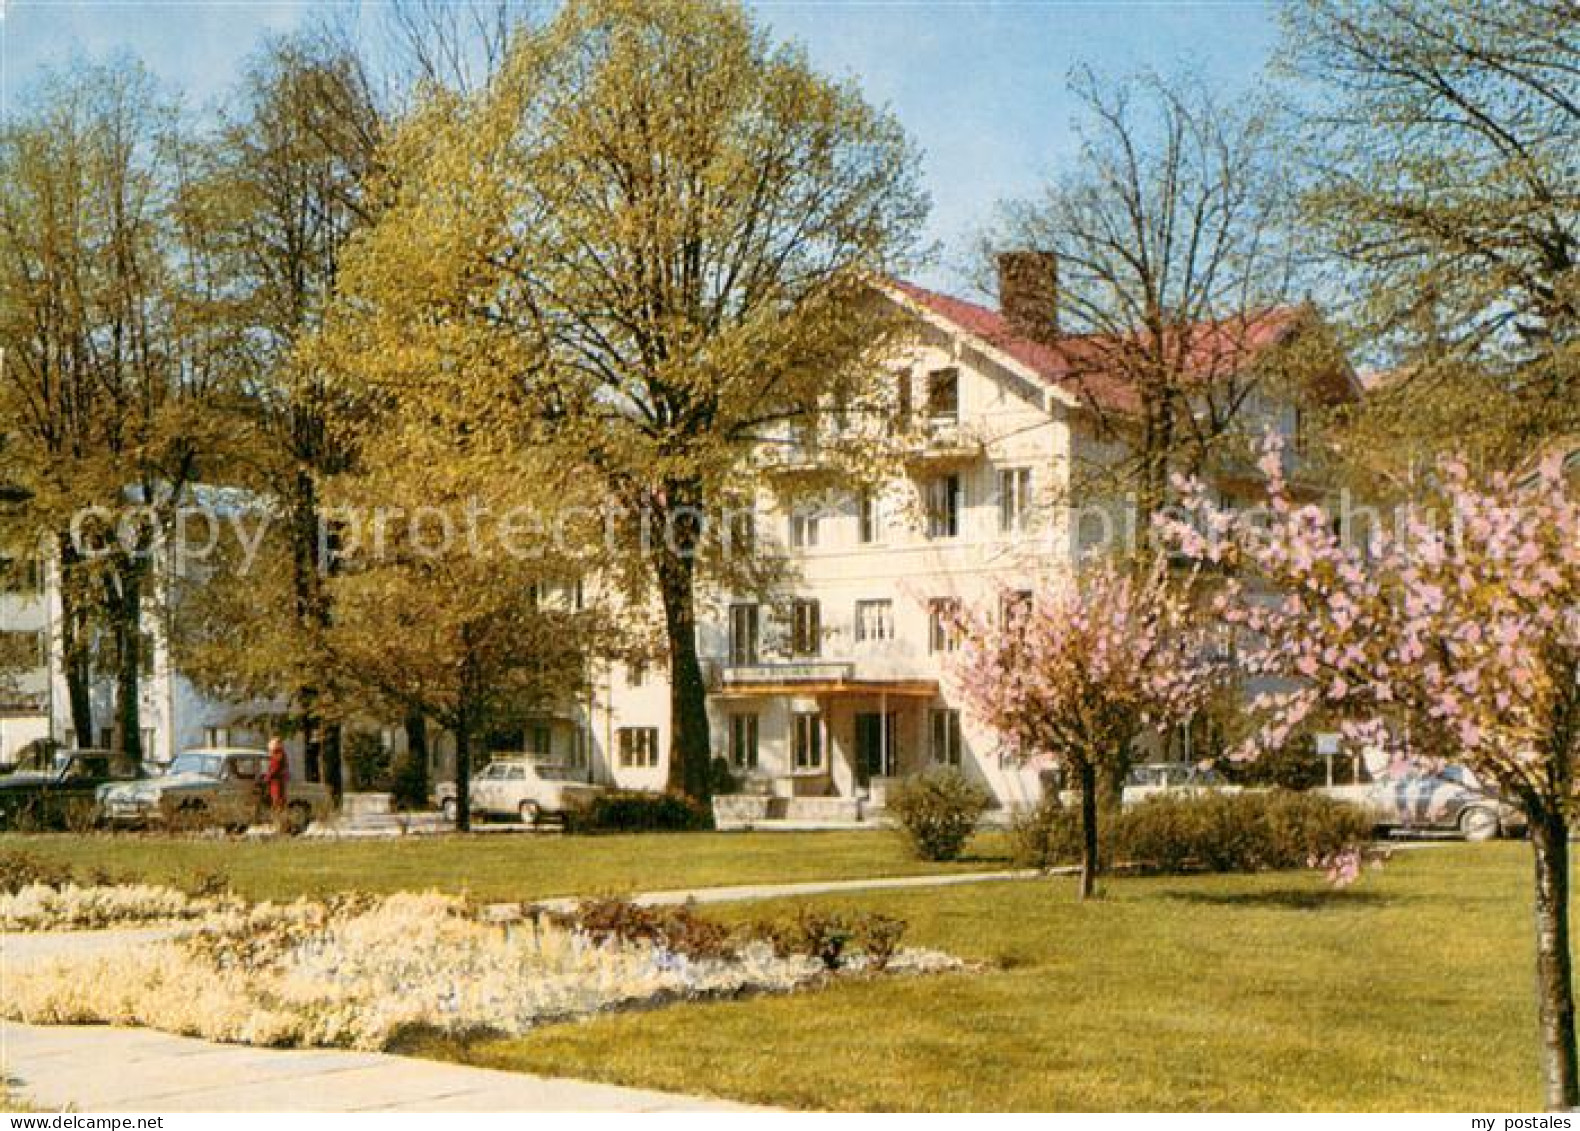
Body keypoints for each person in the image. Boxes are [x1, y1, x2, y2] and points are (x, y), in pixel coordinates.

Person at [263, 737, 289, 815]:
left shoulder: (278, 753)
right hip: (277, 780)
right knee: (278, 801)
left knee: (277, 801)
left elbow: (275, 768)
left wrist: (267, 778)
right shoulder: (280, 753)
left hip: (276, 781)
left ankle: (278, 818)